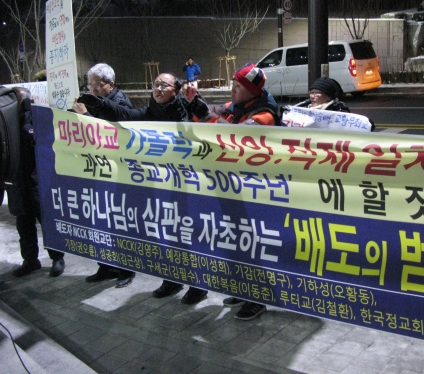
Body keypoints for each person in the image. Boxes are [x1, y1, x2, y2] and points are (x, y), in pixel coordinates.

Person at [76, 72, 209, 305]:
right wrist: (100, 103)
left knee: (187, 237)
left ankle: (198, 286)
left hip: (186, 188)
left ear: (175, 91)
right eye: (155, 85)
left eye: (164, 85)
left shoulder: (184, 113)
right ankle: (172, 279)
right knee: (166, 235)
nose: (158, 89)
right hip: (159, 187)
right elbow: (125, 114)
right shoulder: (149, 113)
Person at [188, 63, 281, 319]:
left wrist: (206, 116)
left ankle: (259, 297)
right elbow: (213, 116)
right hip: (234, 189)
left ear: (251, 91)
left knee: (253, 245)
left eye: (238, 86)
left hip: (256, 193)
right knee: (237, 241)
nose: (232, 90)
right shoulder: (238, 106)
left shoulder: (265, 115)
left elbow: (235, 139)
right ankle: (243, 288)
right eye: (233, 83)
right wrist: (195, 104)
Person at [73, 63, 136, 288]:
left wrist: (86, 115)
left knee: (119, 222)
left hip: (118, 171)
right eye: (90, 85)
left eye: (96, 85)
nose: (92, 90)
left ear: (110, 84)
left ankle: (126, 269)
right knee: (99, 219)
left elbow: (109, 134)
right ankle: (105, 265)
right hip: (99, 168)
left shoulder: (120, 103)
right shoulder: (94, 99)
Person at [9, 87, 66, 277]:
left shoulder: (34, 117)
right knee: (24, 225)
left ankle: (57, 257)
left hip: (37, 180)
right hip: (18, 182)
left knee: (47, 221)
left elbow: (33, 137)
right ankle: (30, 260)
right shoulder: (7, 122)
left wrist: (26, 112)